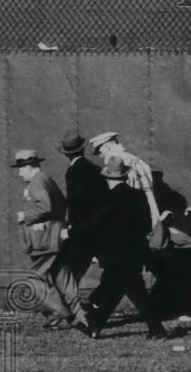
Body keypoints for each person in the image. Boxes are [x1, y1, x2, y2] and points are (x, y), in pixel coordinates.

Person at [83, 157, 169, 340]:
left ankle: (156, 328)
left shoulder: (105, 198)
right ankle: (95, 325)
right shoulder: (138, 196)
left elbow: (94, 225)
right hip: (135, 252)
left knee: (133, 291)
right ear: (124, 176)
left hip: (113, 254)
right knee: (112, 288)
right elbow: (147, 225)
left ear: (107, 178)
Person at [12, 150, 85, 330]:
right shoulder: (45, 179)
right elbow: (60, 204)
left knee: (34, 278)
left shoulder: (37, 181)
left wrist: (25, 216)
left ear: (28, 167)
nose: (19, 173)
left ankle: (59, 310)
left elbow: (46, 206)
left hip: (46, 241)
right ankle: (81, 316)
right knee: (63, 277)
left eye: (20, 169)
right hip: (54, 236)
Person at [58, 130, 108, 290]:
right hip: (97, 226)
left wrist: (71, 227)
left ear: (66, 154)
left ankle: (69, 305)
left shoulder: (72, 172)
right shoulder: (96, 169)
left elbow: (75, 202)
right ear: (83, 149)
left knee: (72, 268)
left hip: (81, 229)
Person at [88, 132, 160, 224]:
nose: (100, 156)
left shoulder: (120, 162)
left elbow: (126, 195)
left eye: (100, 152)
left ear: (107, 147)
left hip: (132, 216)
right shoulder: (134, 159)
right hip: (147, 212)